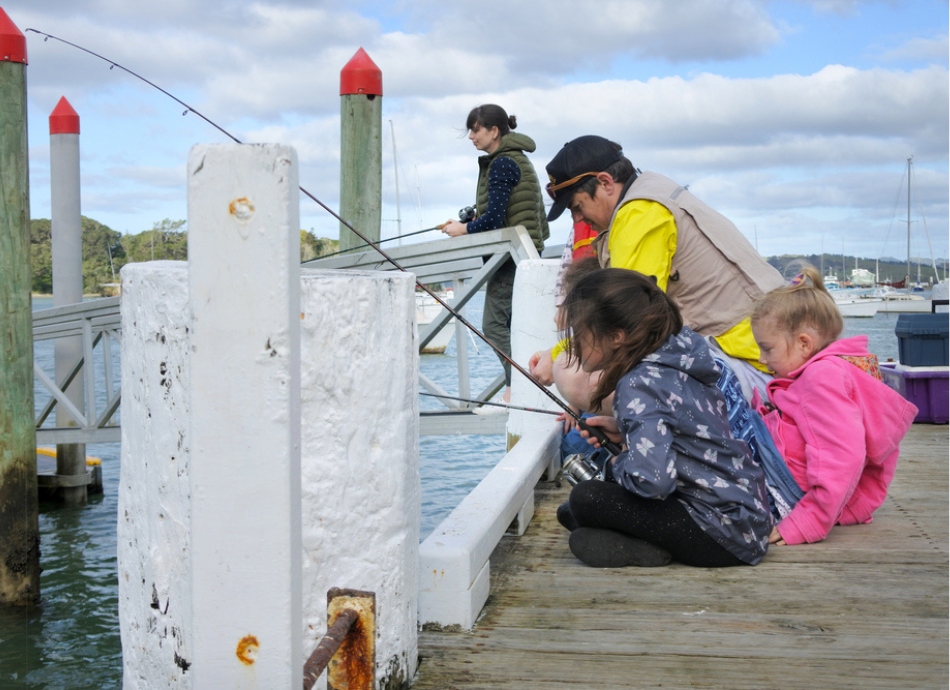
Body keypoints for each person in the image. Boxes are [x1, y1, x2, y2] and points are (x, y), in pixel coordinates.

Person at [532, 135, 784, 404]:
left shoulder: (639, 214)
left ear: (605, 182)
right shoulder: (653, 191)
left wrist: (559, 354)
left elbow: (627, 320)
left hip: (750, 365)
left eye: (577, 206)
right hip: (768, 355)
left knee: (572, 375)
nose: (578, 218)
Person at [557, 268, 772, 568]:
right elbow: (685, 430)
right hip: (749, 519)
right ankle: (636, 544)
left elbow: (653, 482)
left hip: (721, 535)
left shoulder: (637, 384)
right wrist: (625, 431)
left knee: (586, 499)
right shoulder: (677, 361)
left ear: (616, 337)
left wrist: (615, 464)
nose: (573, 344)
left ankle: (644, 549)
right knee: (571, 511)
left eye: (579, 334)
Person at [750, 266, 918, 545]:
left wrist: (810, 519)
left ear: (804, 343)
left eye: (767, 348)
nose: (760, 358)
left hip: (800, 495)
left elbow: (842, 455)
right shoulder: (838, 369)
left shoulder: (822, 378)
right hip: (828, 493)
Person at [441, 104, 549, 403]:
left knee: (493, 325)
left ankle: (520, 384)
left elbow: (494, 219)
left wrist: (463, 228)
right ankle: (523, 382)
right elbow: (522, 215)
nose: (471, 137)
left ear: (494, 131)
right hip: (524, 252)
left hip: (510, 259)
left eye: (475, 130)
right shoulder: (517, 160)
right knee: (516, 325)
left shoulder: (501, 163)